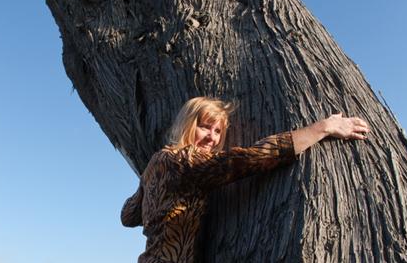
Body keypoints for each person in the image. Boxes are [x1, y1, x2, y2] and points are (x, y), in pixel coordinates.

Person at [121, 97, 370, 263]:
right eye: (205, 127)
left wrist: (148, 188)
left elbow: (128, 215)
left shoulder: (158, 162)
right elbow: (252, 158)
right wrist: (323, 128)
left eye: (218, 131)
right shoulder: (185, 161)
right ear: (188, 124)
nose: (212, 138)